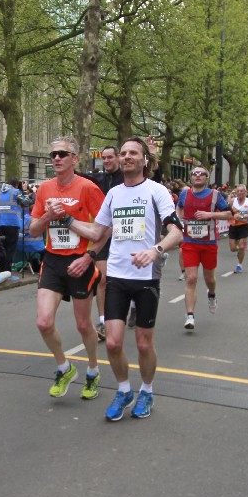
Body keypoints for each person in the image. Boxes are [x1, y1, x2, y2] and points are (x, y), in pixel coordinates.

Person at [67, 137, 183, 421]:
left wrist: (155, 251)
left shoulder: (156, 191)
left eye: (133, 152)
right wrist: (65, 219)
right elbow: (97, 232)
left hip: (146, 277)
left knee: (143, 343)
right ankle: (124, 391)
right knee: (114, 342)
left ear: (145, 160)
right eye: (123, 153)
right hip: (117, 276)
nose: (127, 156)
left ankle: (147, 391)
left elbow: (177, 233)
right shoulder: (114, 194)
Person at [30, 136, 106, 400]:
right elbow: (33, 230)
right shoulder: (44, 189)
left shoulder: (88, 188)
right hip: (52, 261)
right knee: (43, 322)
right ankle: (64, 367)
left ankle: (93, 371)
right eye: (53, 155)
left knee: (83, 326)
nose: (57, 158)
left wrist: (89, 256)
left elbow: (104, 229)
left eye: (62, 154)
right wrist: (48, 216)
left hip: (79, 262)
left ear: (75, 159)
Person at [177, 166, 233, 329]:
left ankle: (212, 294)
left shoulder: (214, 195)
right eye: (194, 174)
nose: (198, 176)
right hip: (190, 242)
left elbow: (229, 214)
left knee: (209, 278)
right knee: (191, 278)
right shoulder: (184, 194)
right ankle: (190, 316)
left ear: (207, 178)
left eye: (201, 174)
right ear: (191, 177)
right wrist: (178, 220)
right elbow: (179, 207)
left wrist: (210, 215)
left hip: (209, 243)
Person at [85, 145, 124, 341]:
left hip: (124, 234)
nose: (106, 161)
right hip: (103, 234)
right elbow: (79, 177)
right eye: (104, 158)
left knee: (125, 279)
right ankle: (103, 320)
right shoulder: (99, 179)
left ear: (118, 157)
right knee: (101, 278)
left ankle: (133, 305)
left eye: (110, 157)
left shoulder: (126, 178)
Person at [0, 179, 24, 276]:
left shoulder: (1, 193)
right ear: (16, 184)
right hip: (12, 224)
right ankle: (7, 272)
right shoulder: (16, 192)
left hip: (0, 223)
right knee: (10, 249)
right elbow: (25, 202)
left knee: (2, 248)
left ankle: (2, 271)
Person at [227, 185, 248, 273]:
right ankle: (239, 249)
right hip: (233, 226)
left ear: (245, 192)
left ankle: (239, 265)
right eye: (238, 191)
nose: (239, 193)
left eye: (241, 191)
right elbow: (227, 211)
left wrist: (242, 216)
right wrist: (232, 216)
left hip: (244, 225)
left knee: (242, 246)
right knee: (232, 248)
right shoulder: (232, 201)